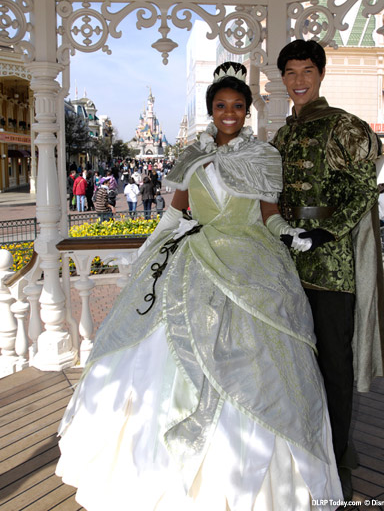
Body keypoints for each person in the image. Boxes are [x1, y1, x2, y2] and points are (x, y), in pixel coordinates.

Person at [56, 61, 342, 511]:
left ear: (248, 111)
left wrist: (293, 235)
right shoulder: (190, 156)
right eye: (221, 105)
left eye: (238, 106)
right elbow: (175, 214)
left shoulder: (264, 156)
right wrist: (149, 247)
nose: (229, 113)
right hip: (197, 254)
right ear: (211, 110)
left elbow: (270, 217)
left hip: (253, 261)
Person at [272, 39, 384, 500]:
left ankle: (338, 458)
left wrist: (323, 232)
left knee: (334, 367)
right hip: (285, 265)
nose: (298, 80)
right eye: (290, 72)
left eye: (307, 71)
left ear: (320, 75)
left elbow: (362, 186)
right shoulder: (282, 135)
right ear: (282, 78)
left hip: (332, 267)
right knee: (295, 364)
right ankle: (307, 447)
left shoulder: (346, 126)